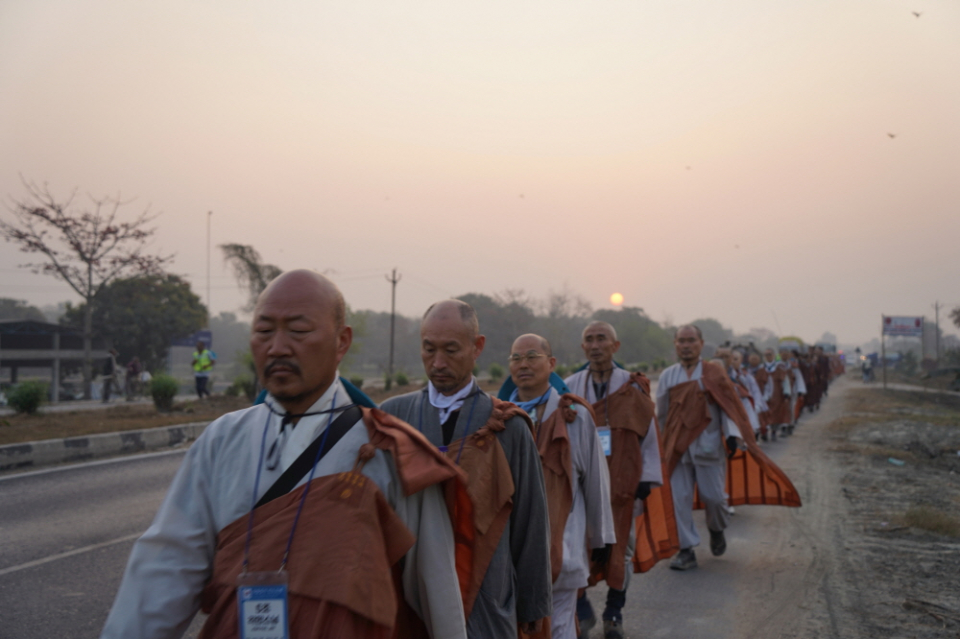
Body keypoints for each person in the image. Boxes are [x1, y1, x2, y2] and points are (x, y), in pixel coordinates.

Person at [101, 270, 470, 639]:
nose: (277, 347)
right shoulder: (223, 441)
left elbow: (437, 595)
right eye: (264, 331)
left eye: (298, 331)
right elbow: (164, 571)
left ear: (341, 342)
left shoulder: (391, 452)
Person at [380, 300, 552, 639]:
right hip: (412, 595)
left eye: (451, 350)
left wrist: (532, 603)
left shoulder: (508, 427)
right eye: (429, 349)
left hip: (487, 594)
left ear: (477, 347)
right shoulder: (392, 419)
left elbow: (530, 520)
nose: (438, 362)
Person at [563, 321, 676, 639]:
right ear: (583, 347)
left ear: (616, 346)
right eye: (589, 340)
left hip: (623, 483)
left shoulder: (632, 386)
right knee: (575, 547)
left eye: (602, 339)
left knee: (621, 550)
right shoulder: (569, 387)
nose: (595, 345)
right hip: (580, 483)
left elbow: (649, 433)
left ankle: (614, 611)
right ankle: (581, 610)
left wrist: (647, 477)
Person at [500, 333, 616, 639]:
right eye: (516, 358)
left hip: (564, 539)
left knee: (561, 622)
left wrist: (602, 536)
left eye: (532, 357)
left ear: (551, 364)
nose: (523, 364)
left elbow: (596, 479)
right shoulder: (497, 418)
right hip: (511, 543)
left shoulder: (574, 416)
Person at [658, 326, 802, 572]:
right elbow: (662, 414)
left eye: (691, 340)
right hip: (678, 448)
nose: (686, 345)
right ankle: (686, 550)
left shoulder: (714, 373)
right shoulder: (667, 376)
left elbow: (729, 406)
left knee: (714, 498)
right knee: (678, 500)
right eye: (681, 341)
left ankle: (716, 529)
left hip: (708, 445)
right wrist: (661, 444)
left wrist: (733, 435)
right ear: (675, 344)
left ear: (701, 343)